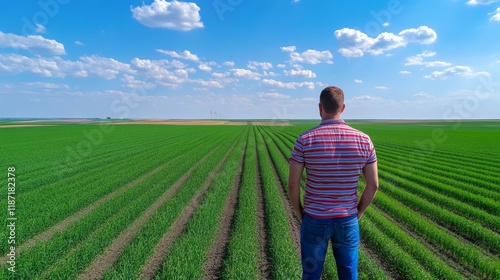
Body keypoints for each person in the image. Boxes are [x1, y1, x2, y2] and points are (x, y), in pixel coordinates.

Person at [288, 86, 379, 280]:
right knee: (348, 274)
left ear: (319, 107)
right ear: (343, 107)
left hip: (314, 219)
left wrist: (299, 212)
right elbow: (373, 185)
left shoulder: (304, 140)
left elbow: (293, 184)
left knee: (311, 274)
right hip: (347, 220)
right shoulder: (364, 140)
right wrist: (358, 212)